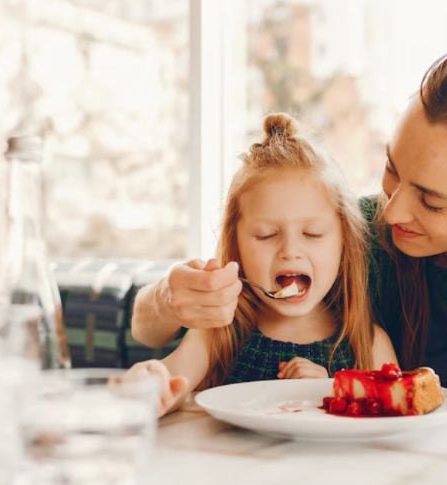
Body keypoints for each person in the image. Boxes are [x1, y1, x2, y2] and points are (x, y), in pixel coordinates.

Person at [131, 19, 447, 417]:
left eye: (432, 201)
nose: (392, 211)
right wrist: (170, 299)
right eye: (392, 170)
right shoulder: (358, 229)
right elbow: (156, 332)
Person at [128, 113, 398, 415]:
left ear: (345, 244)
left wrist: (330, 392)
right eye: (266, 235)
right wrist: (152, 384)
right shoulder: (218, 331)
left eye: (312, 233)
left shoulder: (368, 342)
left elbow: (391, 417)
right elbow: (173, 383)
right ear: (237, 246)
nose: (290, 251)